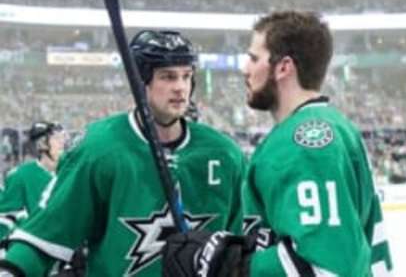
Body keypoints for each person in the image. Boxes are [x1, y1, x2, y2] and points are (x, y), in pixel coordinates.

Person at [161, 11, 393, 277]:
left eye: (254, 58)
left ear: (283, 67)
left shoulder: (305, 143)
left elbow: (326, 267)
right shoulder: (331, 125)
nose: (244, 68)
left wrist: (233, 266)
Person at [0, 30, 246, 276]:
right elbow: (45, 235)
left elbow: (242, 246)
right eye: (168, 77)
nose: (180, 88)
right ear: (140, 82)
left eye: (186, 76)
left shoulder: (226, 154)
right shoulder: (98, 149)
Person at [0, 121, 66, 240]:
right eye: (56, 139)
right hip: (35, 249)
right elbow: (5, 219)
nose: (62, 143)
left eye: (62, 138)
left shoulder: (70, 172)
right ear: (42, 144)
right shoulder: (20, 176)